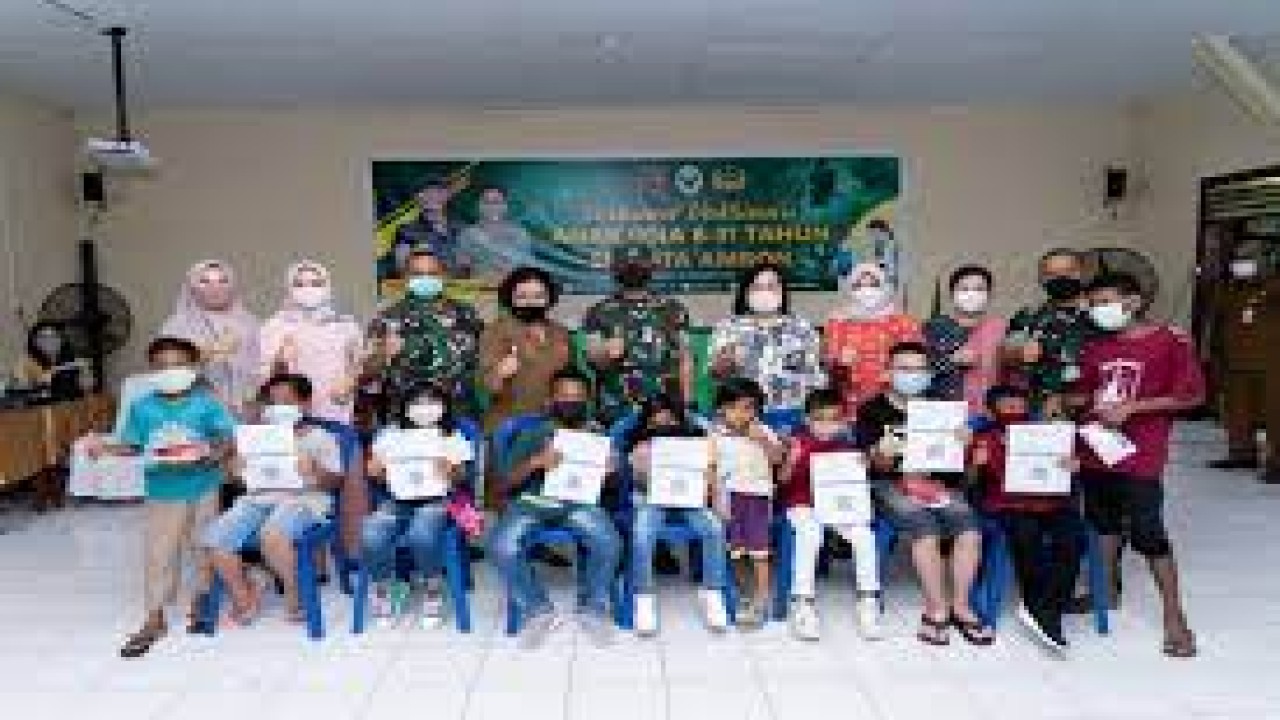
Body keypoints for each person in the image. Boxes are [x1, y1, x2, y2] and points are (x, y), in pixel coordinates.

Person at [1073, 272, 1204, 658]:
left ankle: (1174, 617)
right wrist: (1081, 400)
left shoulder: (1169, 342)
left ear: (1132, 302)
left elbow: (1192, 395)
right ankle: (1106, 593)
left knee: (1149, 533)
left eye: (1106, 302)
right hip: (1097, 449)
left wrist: (1135, 407)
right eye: (1094, 304)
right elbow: (1082, 394)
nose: (1099, 310)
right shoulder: (1096, 348)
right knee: (1102, 525)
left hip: (1141, 455)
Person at [90, 337, 236, 658]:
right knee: (159, 553)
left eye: (179, 365)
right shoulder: (142, 407)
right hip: (162, 489)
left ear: (194, 369)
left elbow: (226, 439)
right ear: (151, 370)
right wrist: (105, 447)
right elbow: (133, 444)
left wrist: (213, 454)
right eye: (162, 366)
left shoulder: (207, 403)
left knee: (204, 545)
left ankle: (202, 598)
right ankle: (154, 615)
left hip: (203, 485)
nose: (171, 371)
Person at [857, 341, 992, 647]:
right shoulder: (872, 409)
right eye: (904, 368)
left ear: (929, 373)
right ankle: (936, 607)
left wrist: (964, 442)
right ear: (888, 372)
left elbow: (957, 462)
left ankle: (961, 605)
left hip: (937, 482)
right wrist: (882, 452)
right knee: (925, 528)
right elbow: (871, 463)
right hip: (891, 483)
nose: (912, 375)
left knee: (970, 529)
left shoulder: (942, 407)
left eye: (919, 369)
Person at [487, 368, 622, 649]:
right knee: (501, 546)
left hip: (579, 503)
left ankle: (593, 608)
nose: (571, 402)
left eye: (578, 397)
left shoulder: (597, 433)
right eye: (564, 396)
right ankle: (537, 609)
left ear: (587, 400)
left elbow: (612, 489)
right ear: (550, 399)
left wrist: (610, 472)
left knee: (608, 542)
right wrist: (535, 462)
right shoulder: (533, 433)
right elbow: (503, 484)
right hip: (533, 503)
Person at [203, 374, 344, 625]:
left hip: (304, 499)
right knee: (216, 537)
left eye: (287, 401)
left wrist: (314, 469)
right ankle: (243, 595)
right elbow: (239, 481)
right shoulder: (254, 437)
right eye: (273, 402)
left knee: (273, 534)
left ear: (305, 404)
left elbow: (335, 482)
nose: (279, 408)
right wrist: (236, 469)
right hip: (257, 499)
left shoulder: (319, 437)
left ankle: (294, 591)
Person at [969, 384, 1081, 654]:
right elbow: (969, 484)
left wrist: (1072, 467)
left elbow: (1070, 472)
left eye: (1019, 407)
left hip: (1052, 500)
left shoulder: (1046, 434)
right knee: (1025, 535)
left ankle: (1045, 606)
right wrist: (976, 464)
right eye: (1007, 407)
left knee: (1072, 539)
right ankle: (1042, 611)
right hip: (1008, 504)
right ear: (991, 410)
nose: (1014, 412)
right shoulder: (983, 436)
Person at [362, 383, 475, 629]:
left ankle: (432, 587)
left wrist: (451, 470)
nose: (425, 408)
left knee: (422, 533)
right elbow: (380, 477)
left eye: (431, 402)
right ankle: (383, 588)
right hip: (396, 500)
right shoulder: (390, 435)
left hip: (437, 500)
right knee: (371, 532)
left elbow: (463, 478)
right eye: (417, 402)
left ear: (443, 407)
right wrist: (375, 472)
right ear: (405, 408)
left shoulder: (451, 436)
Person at [778, 387, 882, 641]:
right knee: (811, 535)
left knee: (865, 537)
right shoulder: (796, 442)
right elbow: (781, 481)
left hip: (838, 506)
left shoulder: (846, 444)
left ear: (843, 420)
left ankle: (868, 601)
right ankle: (802, 602)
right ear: (807, 419)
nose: (827, 426)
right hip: (801, 504)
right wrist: (791, 460)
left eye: (834, 419)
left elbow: (857, 483)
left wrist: (863, 467)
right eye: (819, 419)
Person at [625, 396, 730, 637]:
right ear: (647, 425)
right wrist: (643, 464)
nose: (664, 426)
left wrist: (715, 498)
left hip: (691, 499)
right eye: (656, 422)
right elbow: (638, 483)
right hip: (652, 500)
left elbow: (711, 475)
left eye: (670, 420)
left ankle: (711, 592)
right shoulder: (640, 446)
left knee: (713, 529)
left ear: (679, 419)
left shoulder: (697, 440)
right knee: (642, 532)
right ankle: (644, 595)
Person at [583, 245, 693, 426]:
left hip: (665, 410)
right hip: (616, 409)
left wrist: (688, 403)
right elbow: (593, 360)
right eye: (626, 265)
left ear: (651, 269)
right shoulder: (598, 311)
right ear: (614, 270)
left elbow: (685, 359)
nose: (633, 270)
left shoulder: (673, 309)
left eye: (639, 265)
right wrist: (605, 352)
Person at [710, 263, 826, 431]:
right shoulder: (728, 328)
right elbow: (716, 374)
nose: (765, 292)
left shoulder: (802, 328)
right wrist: (724, 363)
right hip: (743, 416)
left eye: (772, 286)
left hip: (793, 415)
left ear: (782, 291)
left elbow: (816, 376)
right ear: (746, 292)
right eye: (757, 287)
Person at [369, 247, 483, 419]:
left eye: (432, 273)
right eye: (417, 274)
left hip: (458, 412)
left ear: (443, 276)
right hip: (405, 415)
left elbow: (483, 361)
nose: (425, 278)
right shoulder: (388, 318)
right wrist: (382, 354)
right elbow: (368, 373)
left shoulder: (466, 314)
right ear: (405, 278)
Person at [710, 377, 786, 630]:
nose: (741, 414)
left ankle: (762, 597)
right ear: (721, 409)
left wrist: (762, 441)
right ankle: (745, 593)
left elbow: (777, 459)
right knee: (735, 550)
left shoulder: (763, 430)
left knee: (759, 550)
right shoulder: (715, 434)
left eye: (749, 408)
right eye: (734, 407)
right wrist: (716, 499)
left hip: (757, 498)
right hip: (729, 498)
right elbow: (711, 469)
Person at [258, 261, 363, 424]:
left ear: (327, 287)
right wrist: (280, 361)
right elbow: (264, 380)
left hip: (335, 411)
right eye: (300, 284)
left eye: (316, 284)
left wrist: (351, 381)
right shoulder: (274, 326)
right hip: (290, 416)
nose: (308, 289)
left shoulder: (346, 326)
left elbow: (358, 368)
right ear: (289, 288)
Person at [160, 260, 261, 415]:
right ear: (192, 288)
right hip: (194, 408)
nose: (215, 288)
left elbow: (262, 366)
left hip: (246, 407)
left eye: (223, 281)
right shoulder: (176, 326)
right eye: (204, 281)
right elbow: (166, 368)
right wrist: (205, 354)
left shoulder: (249, 323)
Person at [1004, 248, 1096, 419]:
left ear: (1082, 273)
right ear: (1041, 279)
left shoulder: (1101, 314)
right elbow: (1007, 355)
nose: (1061, 278)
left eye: (1069, 271)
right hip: (1039, 409)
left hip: (1095, 410)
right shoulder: (1028, 315)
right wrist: (1019, 353)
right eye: (1052, 274)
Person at [479, 266, 572, 432]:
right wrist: (499, 372)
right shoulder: (496, 332)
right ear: (510, 298)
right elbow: (484, 388)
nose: (531, 302)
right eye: (522, 296)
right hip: (508, 428)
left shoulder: (561, 332)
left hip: (553, 425)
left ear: (550, 298)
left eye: (538, 296)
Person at [824, 262, 921, 417]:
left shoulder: (903, 322)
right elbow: (830, 369)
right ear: (850, 290)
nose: (866, 291)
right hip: (850, 403)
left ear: (884, 288)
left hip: (892, 401)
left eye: (873, 285)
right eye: (859, 286)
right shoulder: (838, 322)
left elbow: (916, 365)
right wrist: (839, 364)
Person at [1209, 243, 1269, 469]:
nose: (1241, 263)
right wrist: (1213, 354)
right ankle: (1241, 454)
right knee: (1237, 412)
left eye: (1248, 258)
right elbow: (1218, 323)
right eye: (1238, 258)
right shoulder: (1228, 289)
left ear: (1264, 259)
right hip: (1233, 361)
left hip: (1268, 363)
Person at [923, 265, 1008, 412]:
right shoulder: (934, 328)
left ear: (989, 295)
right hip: (945, 412)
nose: (971, 294)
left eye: (979, 289)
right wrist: (951, 361)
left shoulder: (999, 328)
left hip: (988, 412)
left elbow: (1006, 371)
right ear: (952, 294)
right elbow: (918, 373)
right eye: (964, 289)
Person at [388, 177, 468, 279]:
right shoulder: (407, 231)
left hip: (465, 286)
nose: (432, 197)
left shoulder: (463, 227)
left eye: (438, 192)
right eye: (426, 193)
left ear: (446, 196)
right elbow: (401, 267)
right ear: (417, 198)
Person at [457, 184, 535, 288]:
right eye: (486, 202)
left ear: (504, 206)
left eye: (496, 202)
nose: (491, 206)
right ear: (480, 206)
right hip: (481, 290)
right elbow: (463, 268)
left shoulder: (520, 233)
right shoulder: (468, 234)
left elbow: (526, 267)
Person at [17, 321, 85, 400]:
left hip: (66, 400)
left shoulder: (67, 356)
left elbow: (74, 385)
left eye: (54, 337)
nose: (49, 342)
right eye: (43, 338)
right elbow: (23, 383)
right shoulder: (31, 360)